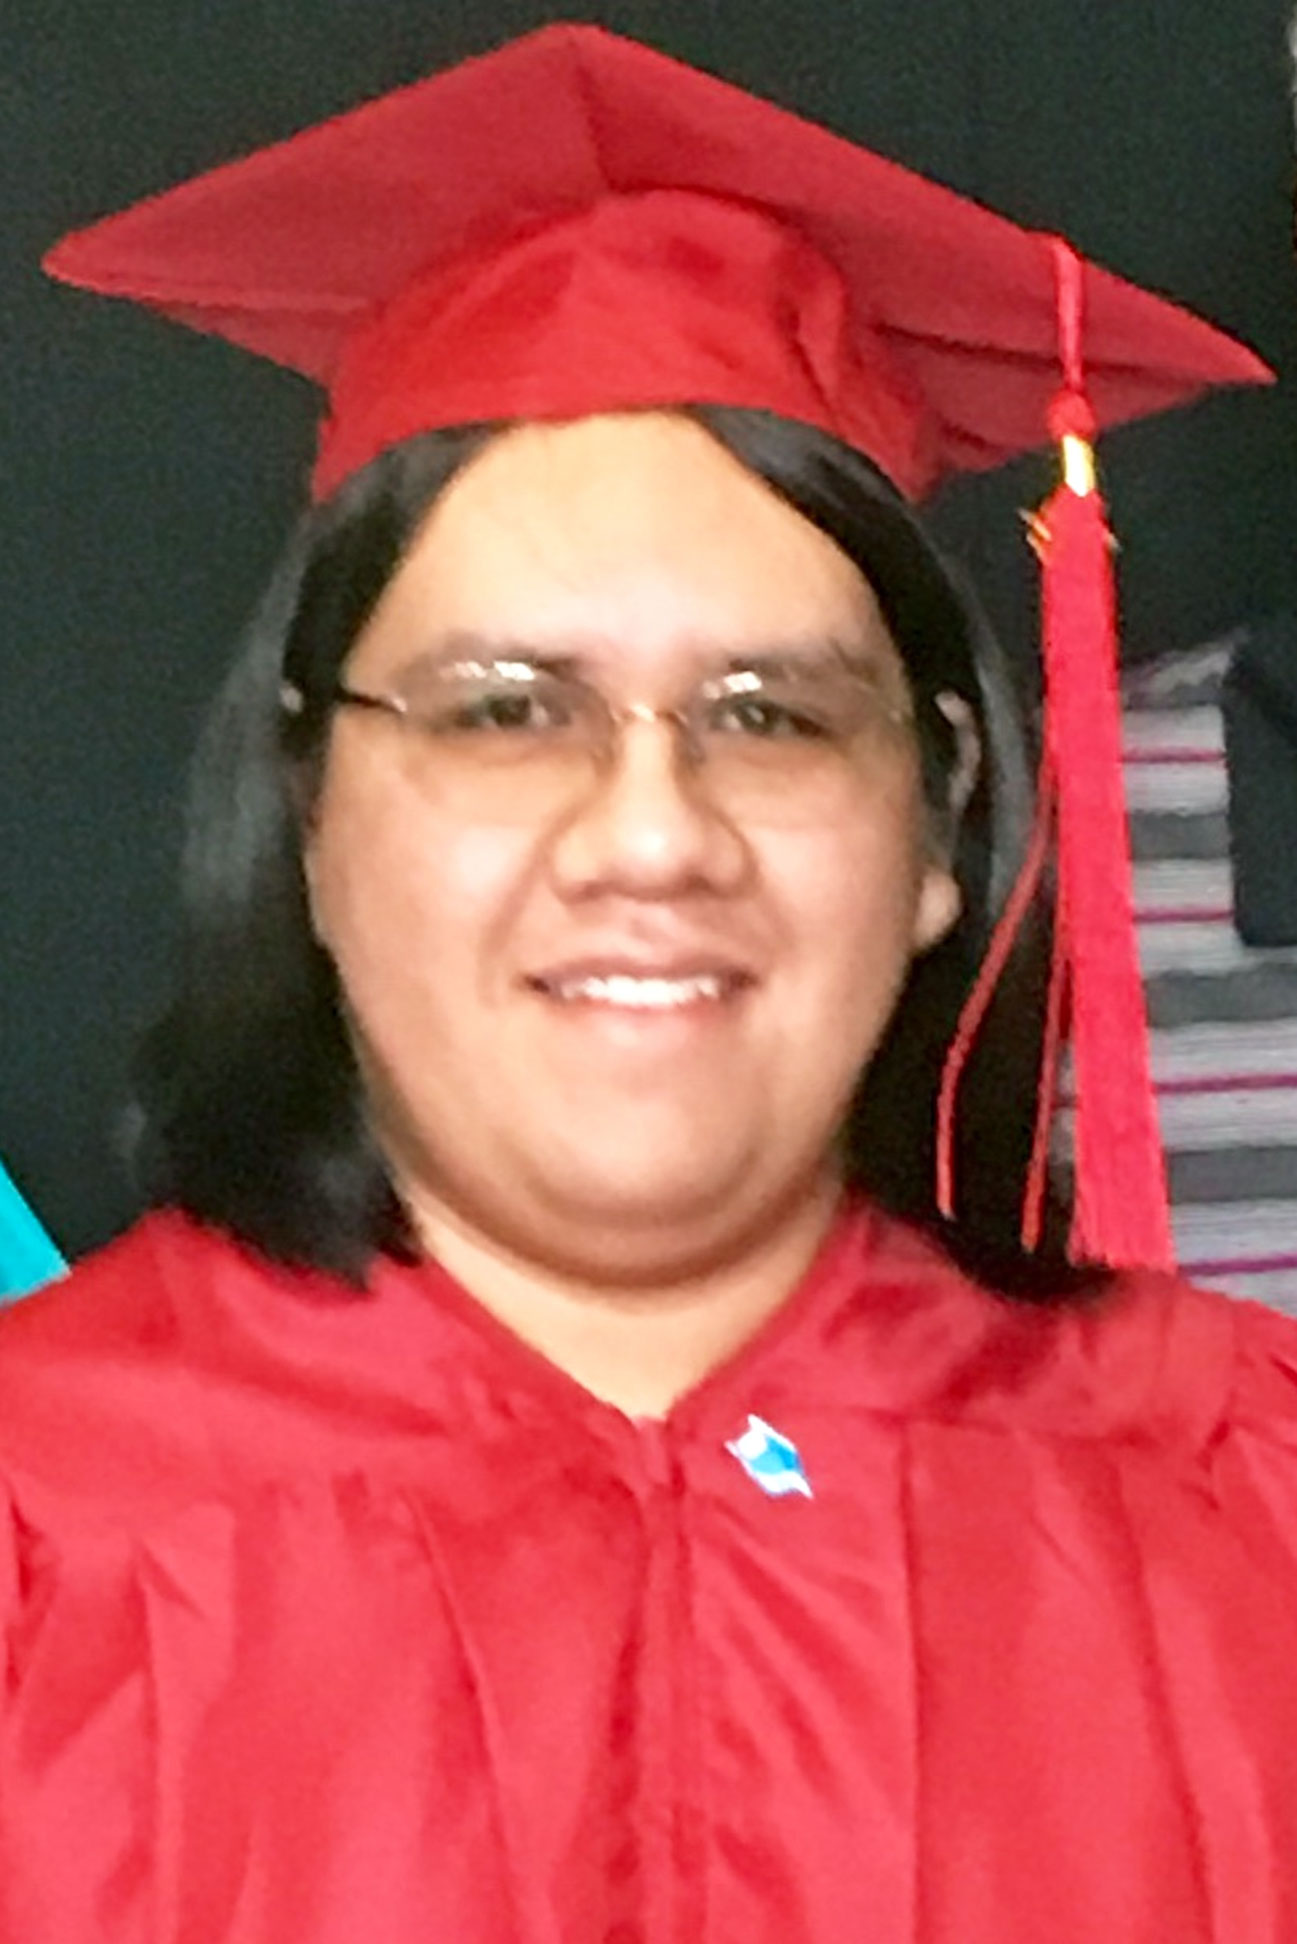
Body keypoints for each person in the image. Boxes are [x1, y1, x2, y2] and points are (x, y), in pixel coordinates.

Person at [3, 23, 1295, 1943]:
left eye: (771, 716)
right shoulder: (42, 1523)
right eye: (504, 710)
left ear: (937, 828)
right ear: (313, 805)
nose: (648, 834)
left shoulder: (1239, 1493)